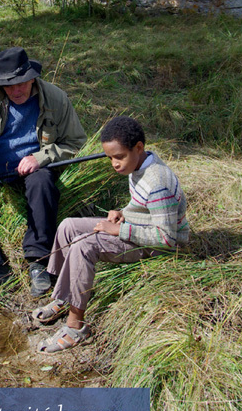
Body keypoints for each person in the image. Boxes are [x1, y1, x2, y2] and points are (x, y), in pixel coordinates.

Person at [33, 115, 189, 353]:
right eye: (110, 158)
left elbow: (168, 238)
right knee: (68, 226)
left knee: (83, 246)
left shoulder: (158, 182)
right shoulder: (139, 163)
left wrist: (120, 229)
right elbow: (141, 203)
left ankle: (75, 326)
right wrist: (123, 212)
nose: (115, 163)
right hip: (140, 224)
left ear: (138, 148)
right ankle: (63, 296)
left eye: (119, 157)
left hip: (157, 243)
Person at [0, 46, 87, 298]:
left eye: (21, 83)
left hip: (34, 169)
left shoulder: (55, 98)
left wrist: (40, 157)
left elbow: (75, 142)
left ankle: (38, 262)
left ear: (32, 77)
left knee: (43, 183)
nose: (16, 91)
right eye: (8, 85)